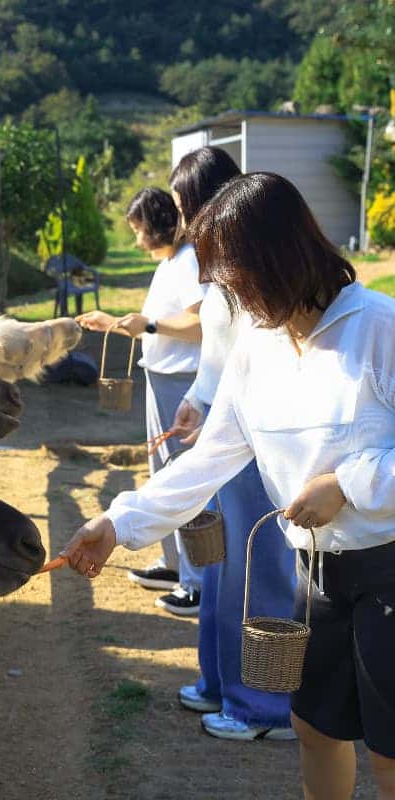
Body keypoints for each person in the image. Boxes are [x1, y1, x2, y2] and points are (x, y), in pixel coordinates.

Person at [64, 172, 395, 799]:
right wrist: (119, 521)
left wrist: (348, 485)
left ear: (277, 258)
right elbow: (209, 459)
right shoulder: (258, 347)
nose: (228, 296)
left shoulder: (380, 327)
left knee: (390, 753)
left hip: (389, 567)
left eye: (233, 278)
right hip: (318, 572)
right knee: (315, 727)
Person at [170, 281, 297, 741]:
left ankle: (265, 706)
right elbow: (221, 352)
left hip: (256, 432)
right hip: (225, 423)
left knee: (256, 568)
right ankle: (221, 682)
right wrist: (198, 396)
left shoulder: (259, 275)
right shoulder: (223, 274)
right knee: (221, 563)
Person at [77, 186, 205, 614]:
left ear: (156, 225)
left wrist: (148, 326)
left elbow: (198, 323)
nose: (136, 240)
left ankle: (196, 580)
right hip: (162, 377)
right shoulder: (170, 262)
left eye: (138, 230)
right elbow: (158, 322)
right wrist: (116, 322)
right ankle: (175, 565)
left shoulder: (187, 261)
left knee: (181, 475)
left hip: (181, 381)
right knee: (162, 470)